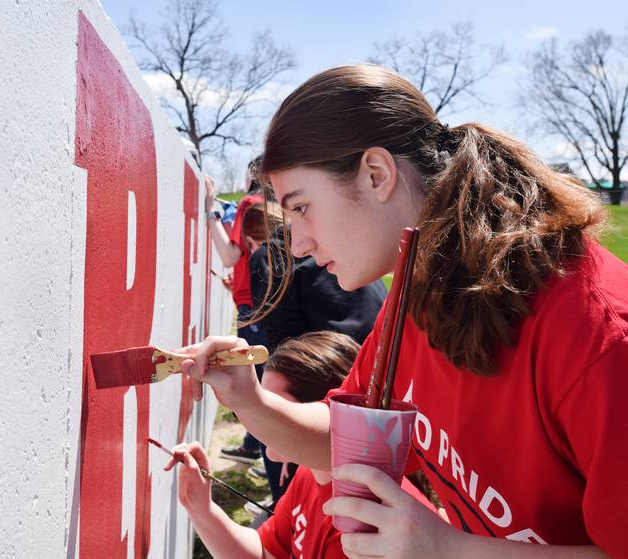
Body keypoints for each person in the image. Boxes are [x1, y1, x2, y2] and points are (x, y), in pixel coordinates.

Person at [181, 64, 628, 558]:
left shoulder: (599, 335)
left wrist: (449, 550)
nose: (300, 244)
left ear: (377, 174)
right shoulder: (420, 291)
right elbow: (351, 440)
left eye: (302, 207)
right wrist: (251, 401)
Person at [168, 331, 436, 559]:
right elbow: (266, 551)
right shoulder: (311, 473)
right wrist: (202, 509)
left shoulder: (366, 514)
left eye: (276, 405)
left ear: (319, 411)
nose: (254, 419)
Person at [242, 201, 387, 505]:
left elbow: (285, 350)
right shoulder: (333, 244)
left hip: (329, 373)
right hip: (376, 365)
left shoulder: (269, 257)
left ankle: (290, 514)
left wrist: (287, 448)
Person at [205, 158, 268, 464]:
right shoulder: (274, 204)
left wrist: (210, 211)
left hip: (252, 306)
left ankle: (257, 445)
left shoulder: (250, 202)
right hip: (262, 299)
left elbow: (229, 256)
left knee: (256, 380)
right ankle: (257, 444)